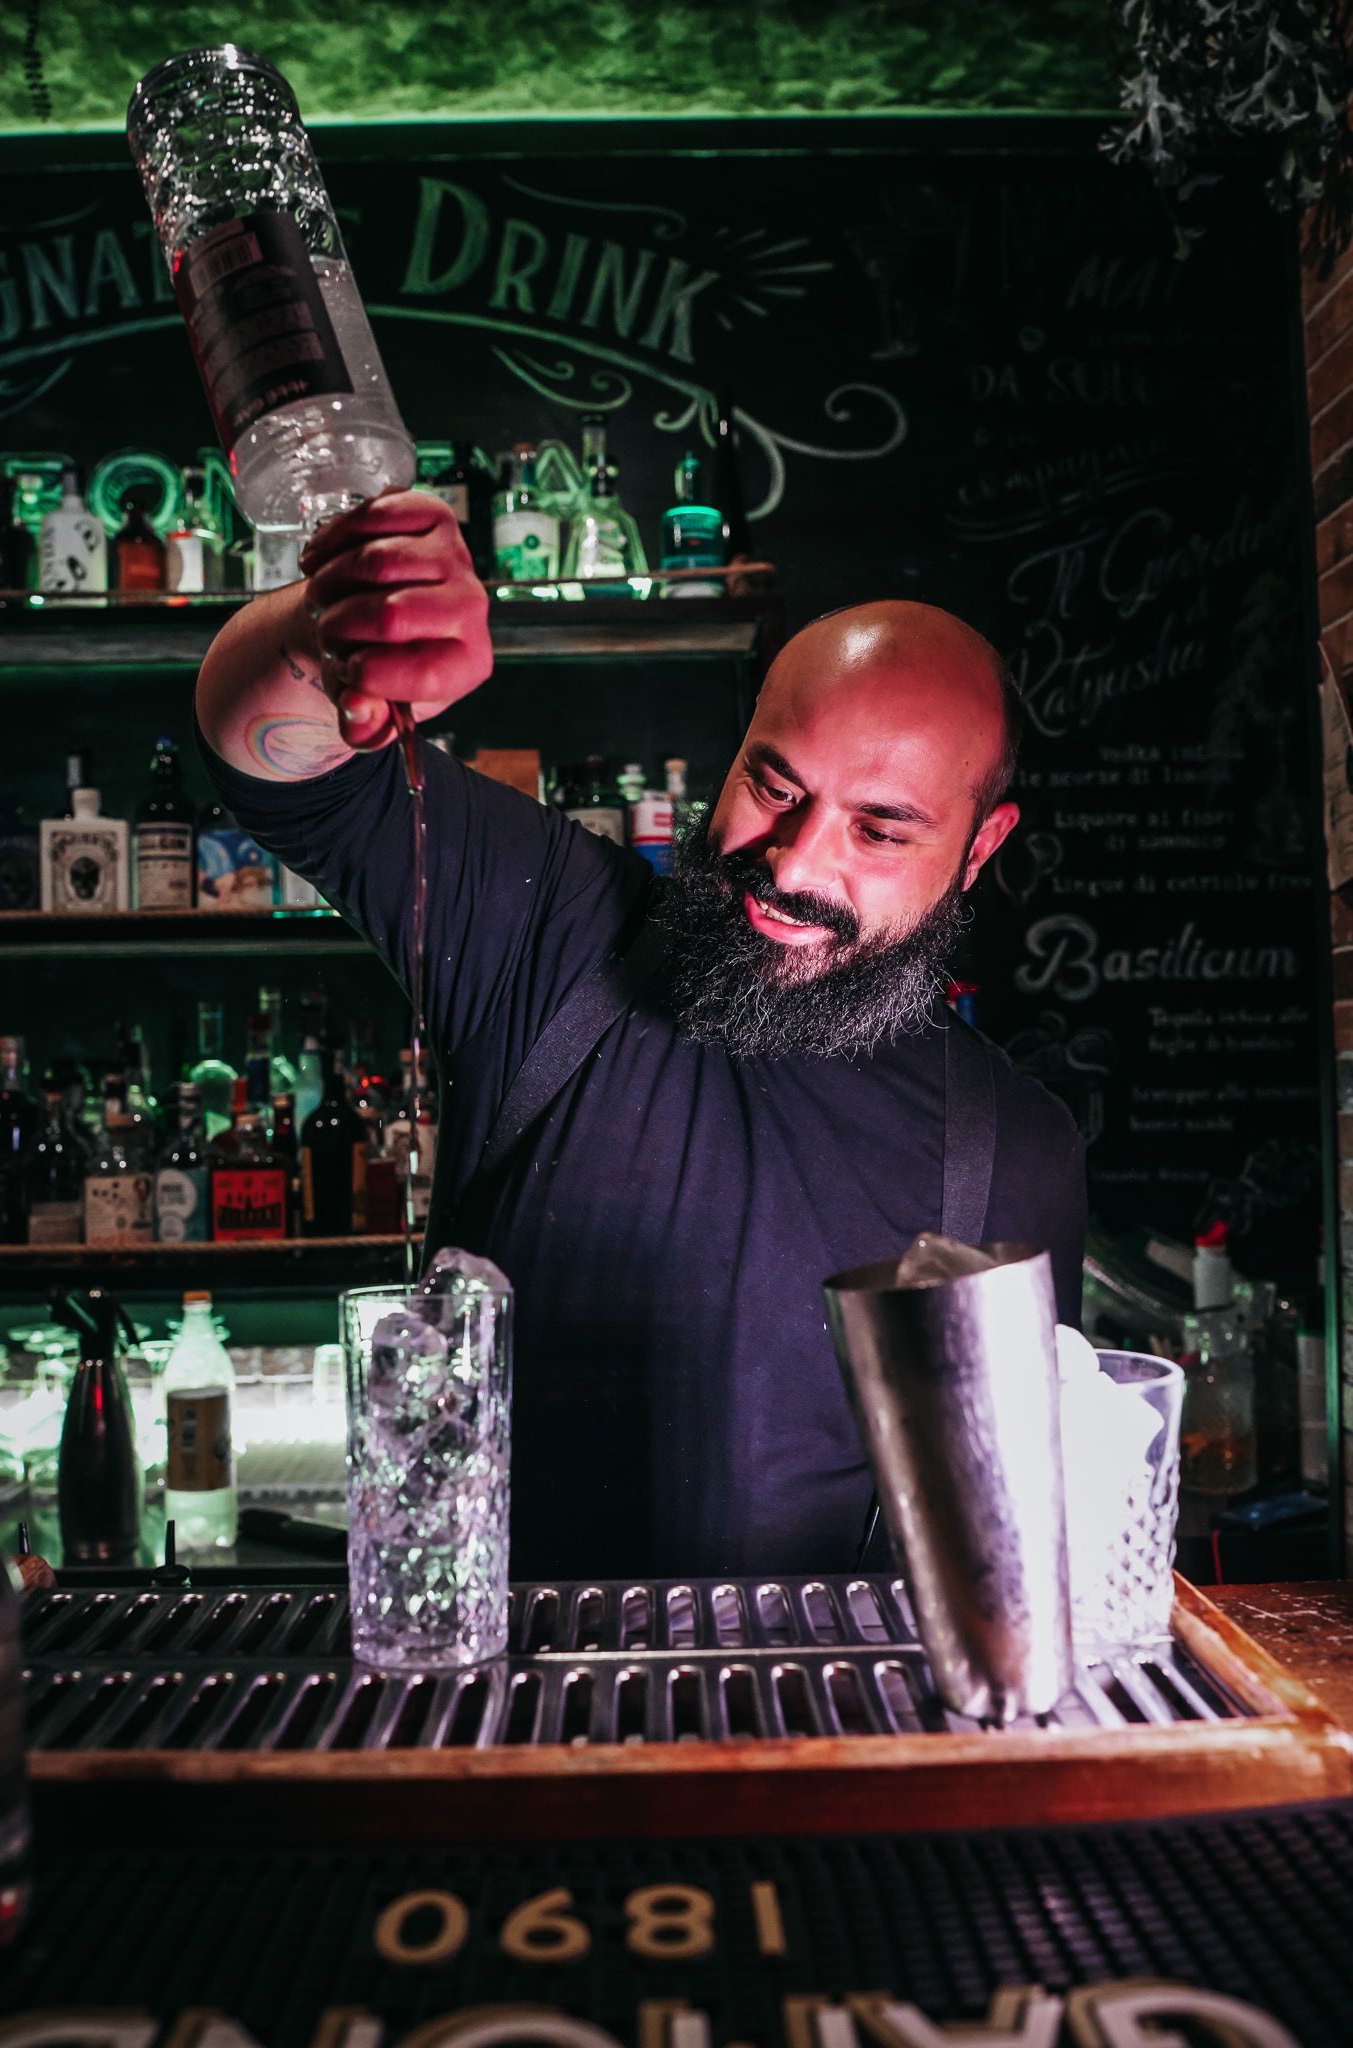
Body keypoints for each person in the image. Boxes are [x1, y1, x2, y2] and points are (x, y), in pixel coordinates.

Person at [195, 490, 1086, 1578]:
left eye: (879, 829)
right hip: (500, 1672)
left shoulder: (1015, 1151)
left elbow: (1010, 1541)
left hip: (823, 1685)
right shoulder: (558, 933)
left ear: (981, 846)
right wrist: (328, 634)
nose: (796, 863)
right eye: (775, 785)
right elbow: (275, 767)